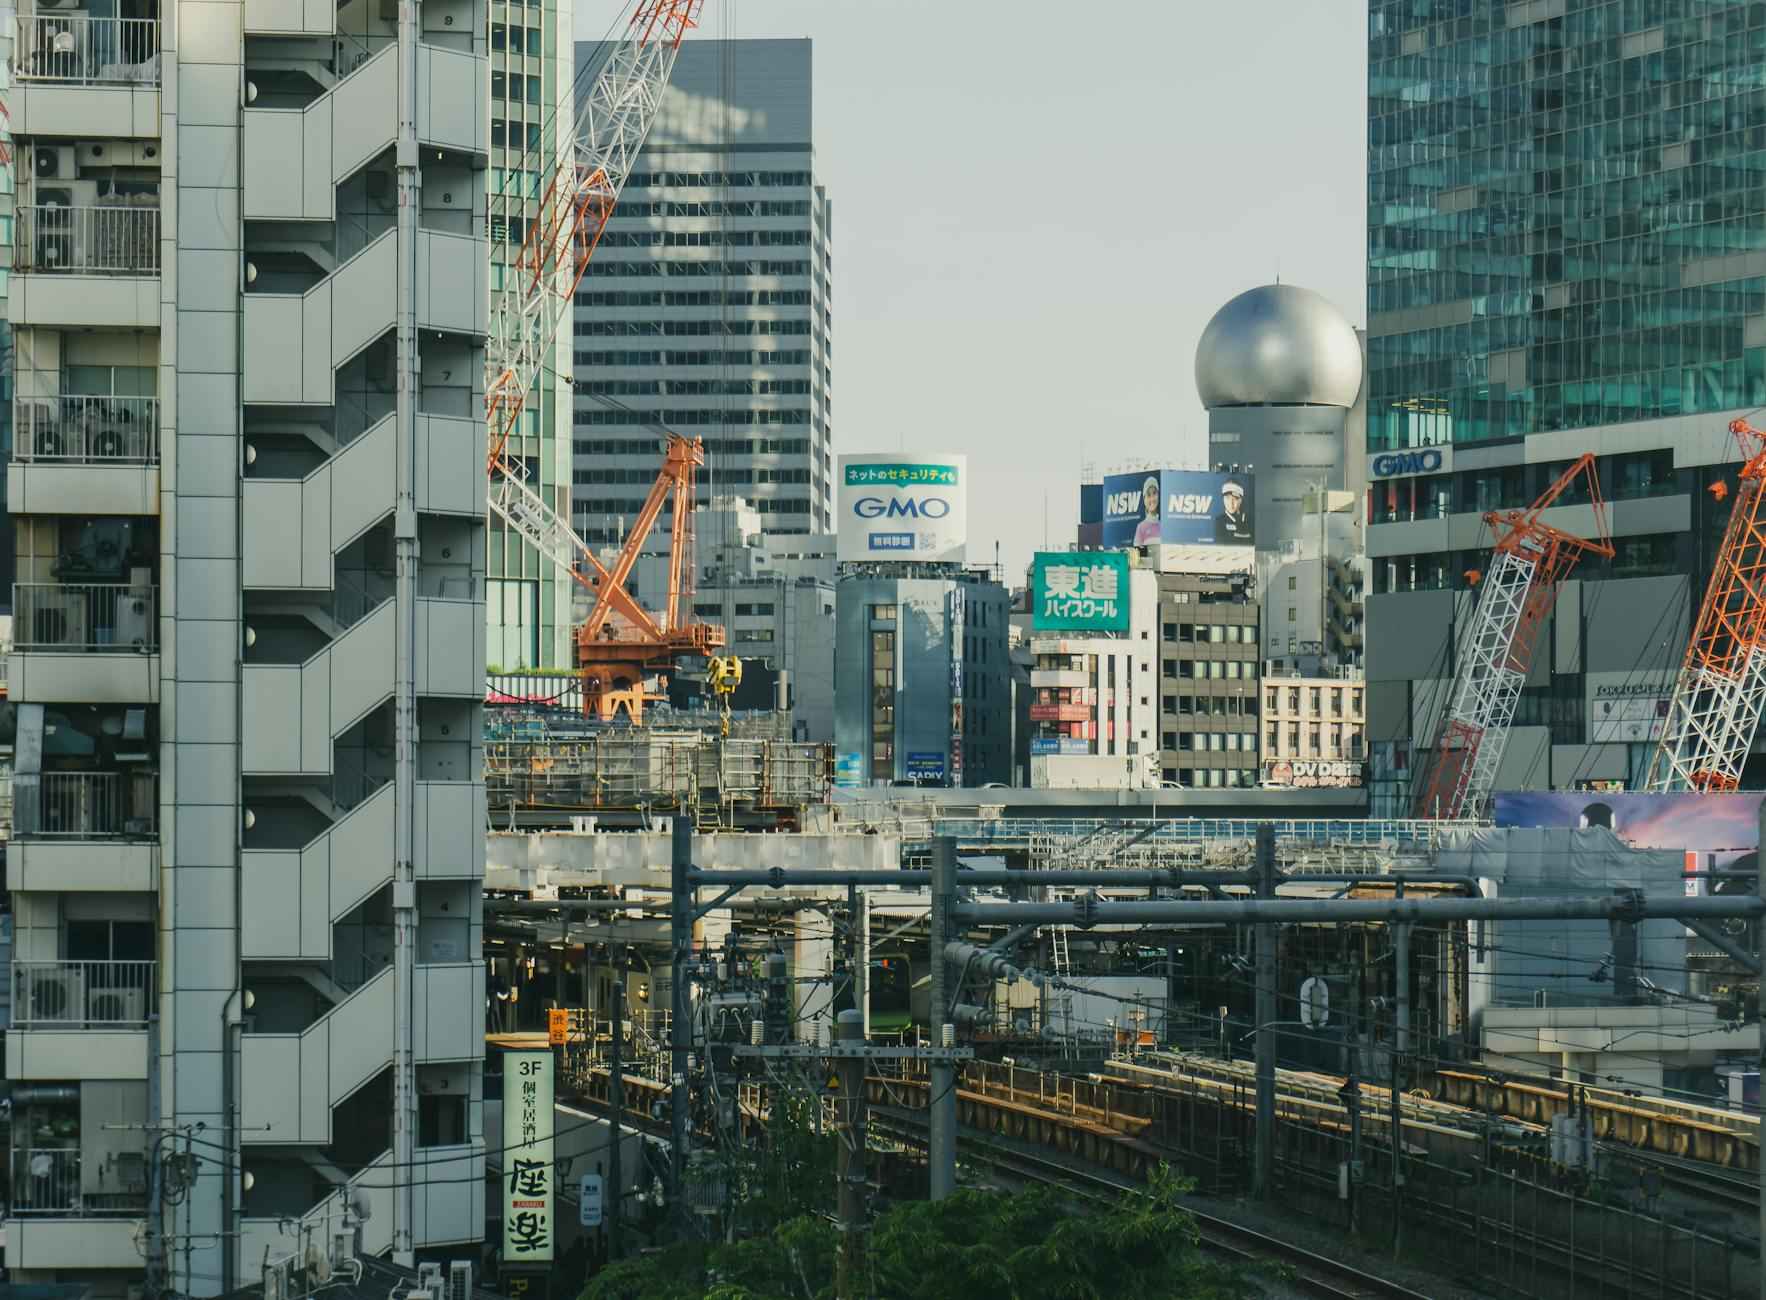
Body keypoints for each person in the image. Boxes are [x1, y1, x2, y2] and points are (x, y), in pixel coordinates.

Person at [1132, 475, 1161, 545]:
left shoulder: (1165, 526)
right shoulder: (1141, 527)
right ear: (1144, 499)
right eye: (1148, 495)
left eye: (1154, 493)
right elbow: (1138, 554)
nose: (1152, 498)